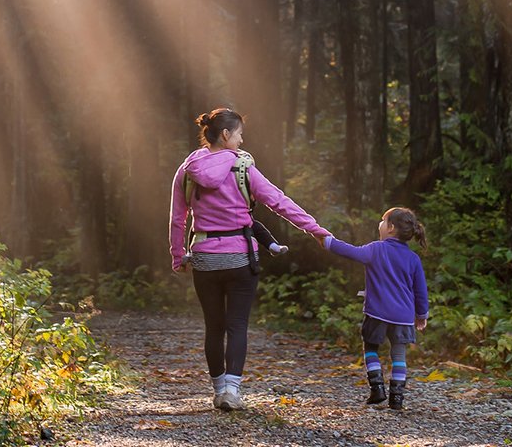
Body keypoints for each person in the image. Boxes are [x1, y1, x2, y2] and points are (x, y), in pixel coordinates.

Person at [169, 107, 330, 411]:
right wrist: (315, 230)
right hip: (241, 258)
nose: (242, 141)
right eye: (240, 134)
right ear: (226, 134)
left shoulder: (187, 169)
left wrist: (179, 256)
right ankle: (232, 390)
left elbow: (178, 219)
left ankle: (218, 392)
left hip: (204, 257)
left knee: (213, 326)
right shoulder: (243, 168)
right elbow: (279, 202)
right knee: (237, 325)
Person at [323, 207, 429, 411]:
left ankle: (377, 388)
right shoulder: (413, 259)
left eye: (383, 221)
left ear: (390, 228)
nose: (379, 225)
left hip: (377, 312)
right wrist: (421, 315)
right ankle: (397, 398)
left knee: (370, 347)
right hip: (403, 316)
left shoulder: (376, 249)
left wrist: (327, 241)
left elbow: (350, 251)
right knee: (399, 355)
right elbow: (420, 291)